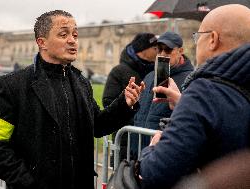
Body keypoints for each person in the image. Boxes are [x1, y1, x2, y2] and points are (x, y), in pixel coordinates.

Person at [0, 10, 144, 189]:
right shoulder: (13, 85)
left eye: (75, 35)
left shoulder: (81, 83)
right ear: (42, 42)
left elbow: (97, 125)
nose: (72, 40)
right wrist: (26, 182)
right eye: (63, 34)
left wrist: (124, 104)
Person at [139, 4, 250, 189]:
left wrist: (151, 150)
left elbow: (157, 171)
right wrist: (183, 102)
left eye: (197, 36)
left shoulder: (203, 92)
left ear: (213, 39)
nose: (196, 43)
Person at [131, 31, 194, 159]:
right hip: (138, 149)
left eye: (168, 50)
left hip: (164, 153)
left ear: (180, 51)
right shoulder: (149, 76)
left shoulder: (190, 79)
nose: (163, 54)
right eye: (159, 50)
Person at [102, 32, 157, 165]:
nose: (158, 51)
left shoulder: (157, 72)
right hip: (126, 140)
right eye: (155, 48)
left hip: (150, 141)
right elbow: (108, 101)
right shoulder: (119, 71)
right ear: (143, 50)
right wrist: (130, 109)